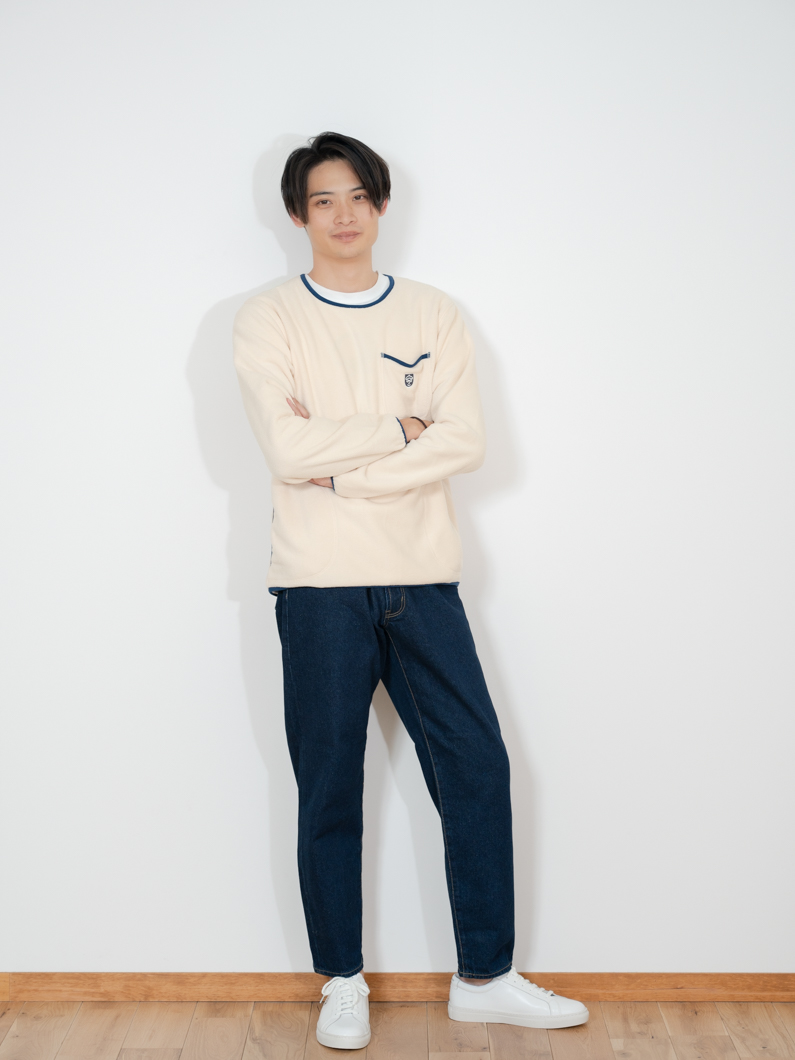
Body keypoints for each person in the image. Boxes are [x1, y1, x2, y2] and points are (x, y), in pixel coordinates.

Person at [233, 131, 588, 1048]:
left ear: (381, 205)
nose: (343, 215)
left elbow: (464, 441)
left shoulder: (432, 313)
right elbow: (285, 448)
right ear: (298, 214)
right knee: (329, 784)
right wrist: (401, 427)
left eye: (358, 196)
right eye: (323, 200)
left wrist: (346, 471)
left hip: (422, 579)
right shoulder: (268, 318)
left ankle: (485, 976)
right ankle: (341, 981)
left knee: (477, 768)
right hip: (317, 585)